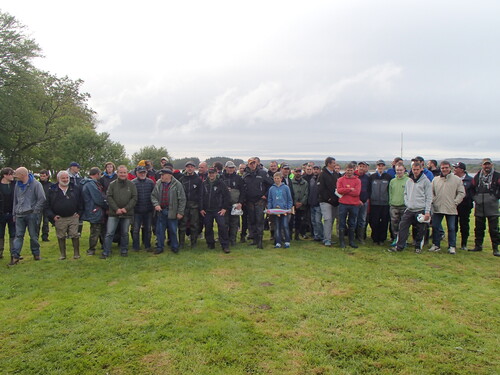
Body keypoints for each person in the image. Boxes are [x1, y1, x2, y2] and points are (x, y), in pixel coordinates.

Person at [389, 161, 432, 253]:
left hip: (421, 209)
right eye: (414, 169)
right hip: (409, 209)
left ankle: (418, 247)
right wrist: (407, 203)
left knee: (420, 229)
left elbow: (429, 197)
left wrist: (427, 212)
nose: (415, 171)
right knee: (402, 226)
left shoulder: (426, 182)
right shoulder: (409, 180)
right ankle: (399, 246)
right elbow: (406, 193)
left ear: (421, 169)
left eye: (417, 169)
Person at [10, 167, 46, 265]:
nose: (15, 178)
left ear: (23, 175)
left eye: (17, 176)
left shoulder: (36, 184)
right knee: (18, 236)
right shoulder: (17, 185)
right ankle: (15, 256)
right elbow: (15, 201)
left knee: (33, 235)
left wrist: (35, 211)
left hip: (31, 214)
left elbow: (42, 198)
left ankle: (36, 254)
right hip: (19, 214)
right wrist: (14, 213)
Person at [428, 161, 465, 254]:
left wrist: (455, 202)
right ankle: (436, 245)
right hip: (437, 207)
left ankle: (452, 246)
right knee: (435, 227)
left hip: (451, 207)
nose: (444, 169)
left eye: (446, 167)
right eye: (443, 168)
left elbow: (461, 193)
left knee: (452, 228)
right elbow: (431, 192)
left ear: (450, 168)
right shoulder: (435, 179)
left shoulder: (457, 179)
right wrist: (433, 200)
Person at [45, 171, 83, 260]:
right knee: (61, 236)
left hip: (73, 217)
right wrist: (53, 216)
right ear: (58, 179)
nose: (66, 180)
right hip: (59, 218)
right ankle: (63, 254)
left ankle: (76, 254)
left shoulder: (75, 188)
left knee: (74, 234)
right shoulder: (52, 190)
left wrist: (79, 213)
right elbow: (47, 205)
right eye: (63, 178)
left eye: (67, 178)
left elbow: (81, 202)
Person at [102, 165, 138, 258]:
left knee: (125, 233)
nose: (123, 174)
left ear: (127, 173)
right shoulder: (112, 184)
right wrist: (116, 209)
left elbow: (134, 198)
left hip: (127, 213)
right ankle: (106, 252)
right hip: (113, 213)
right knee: (109, 233)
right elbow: (109, 197)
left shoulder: (131, 184)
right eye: (121, 172)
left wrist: (126, 209)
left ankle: (124, 250)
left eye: (124, 172)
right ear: (117, 173)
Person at [151, 168, 186, 254]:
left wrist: (180, 212)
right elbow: (153, 196)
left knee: (173, 230)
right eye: (161, 175)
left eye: (163, 175)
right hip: (161, 211)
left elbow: (182, 199)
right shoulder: (158, 183)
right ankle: (159, 247)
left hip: (172, 211)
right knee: (160, 231)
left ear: (169, 175)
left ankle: (174, 247)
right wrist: (156, 204)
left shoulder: (177, 184)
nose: (161, 176)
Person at [470, 158, 499, 256]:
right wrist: (475, 198)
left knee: (494, 229)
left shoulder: (497, 176)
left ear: (491, 165)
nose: (487, 166)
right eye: (485, 164)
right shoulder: (477, 176)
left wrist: (495, 197)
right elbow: (471, 188)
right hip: (479, 205)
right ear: (482, 165)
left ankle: (495, 248)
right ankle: (478, 246)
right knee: (478, 228)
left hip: (492, 206)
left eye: (488, 164)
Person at [242, 157, 273, 249]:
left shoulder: (263, 173)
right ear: (248, 164)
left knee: (259, 221)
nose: (252, 165)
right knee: (252, 221)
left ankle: (260, 241)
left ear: (257, 164)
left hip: (259, 201)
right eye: (251, 163)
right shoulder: (245, 174)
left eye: (254, 163)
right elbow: (243, 188)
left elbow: (271, 184)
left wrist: (266, 195)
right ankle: (254, 239)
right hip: (249, 201)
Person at [200, 167, 231, 253]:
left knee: (222, 227)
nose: (211, 175)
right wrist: (201, 208)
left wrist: (224, 208)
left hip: (218, 209)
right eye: (210, 173)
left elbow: (227, 196)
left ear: (216, 173)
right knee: (208, 227)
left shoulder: (221, 183)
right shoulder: (204, 183)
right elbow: (201, 197)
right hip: (207, 210)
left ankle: (225, 245)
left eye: (213, 173)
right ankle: (210, 244)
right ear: (208, 174)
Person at [81, 167, 107, 256]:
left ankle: (104, 246)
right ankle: (91, 249)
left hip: (95, 209)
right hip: (95, 210)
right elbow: (98, 198)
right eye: (100, 174)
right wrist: (106, 205)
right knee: (95, 230)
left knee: (100, 230)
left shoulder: (91, 183)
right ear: (97, 174)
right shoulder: (91, 184)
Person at [336, 163, 361, 248]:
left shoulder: (357, 180)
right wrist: (350, 189)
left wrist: (345, 191)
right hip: (343, 204)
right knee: (342, 222)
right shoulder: (340, 180)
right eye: (348, 170)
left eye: (351, 170)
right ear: (345, 170)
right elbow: (339, 190)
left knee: (352, 223)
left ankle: (351, 241)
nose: (349, 172)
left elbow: (357, 192)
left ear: (354, 170)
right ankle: (342, 242)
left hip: (354, 204)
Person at [220, 161, 245, 246]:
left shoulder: (238, 178)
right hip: (224, 205)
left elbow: (243, 192)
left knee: (234, 224)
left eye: (232, 168)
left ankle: (233, 240)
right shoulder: (221, 178)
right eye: (229, 167)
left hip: (235, 205)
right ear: (225, 168)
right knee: (224, 224)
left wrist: (240, 203)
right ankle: (225, 240)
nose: (230, 169)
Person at [131, 166, 155, 251]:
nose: (142, 174)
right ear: (137, 173)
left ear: (146, 173)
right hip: (136, 211)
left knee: (148, 229)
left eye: (144, 172)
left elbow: (154, 195)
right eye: (140, 172)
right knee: (135, 230)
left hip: (148, 210)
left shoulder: (151, 182)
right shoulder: (132, 183)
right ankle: (136, 246)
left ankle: (147, 246)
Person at [368, 160, 392, 245]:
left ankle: (382, 239)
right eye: (379, 165)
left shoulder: (388, 177)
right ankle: (375, 239)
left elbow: (390, 190)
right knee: (374, 222)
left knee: (384, 222)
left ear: (384, 167)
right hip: (374, 204)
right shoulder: (372, 177)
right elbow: (369, 190)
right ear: (376, 166)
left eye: (382, 165)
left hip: (385, 204)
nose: (380, 167)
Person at [267, 172, 293, 248]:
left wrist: (288, 208)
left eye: (278, 178)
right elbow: (270, 199)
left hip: (284, 210)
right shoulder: (272, 188)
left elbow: (289, 199)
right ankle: (278, 242)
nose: (276, 180)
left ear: (281, 179)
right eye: (275, 178)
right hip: (275, 211)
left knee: (285, 225)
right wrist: (270, 208)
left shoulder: (286, 188)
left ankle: (287, 241)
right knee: (277, 226)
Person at [318, 157, 339, 247]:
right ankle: (326, 239)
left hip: (335, 201)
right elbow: (320, 189)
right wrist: (328, 198)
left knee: (332, 220)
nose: (335, 164)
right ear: (329, 164)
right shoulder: (322, 175)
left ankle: (328, 237)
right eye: (333, 163)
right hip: (325, 201)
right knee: (327, 219)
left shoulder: (335, 174)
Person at [453, 162, 474, 250]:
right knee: (453, 225)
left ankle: (464, 244)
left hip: (465, 206)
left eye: (456, 168)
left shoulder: (470, 180)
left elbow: (473, 193)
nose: (454, 170)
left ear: (461, 169)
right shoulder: (452, 179)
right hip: (454, 206)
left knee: (464, 225)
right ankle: (452, 243)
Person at [388, 162, 408, 247]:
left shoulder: (408, 181)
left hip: (404, 206)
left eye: (400, 170)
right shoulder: (392, 181)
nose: (399, 172)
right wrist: (391, 202)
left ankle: (404, 241)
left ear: (404, 170)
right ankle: (396, 239)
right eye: (397, 170)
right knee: (394, 224)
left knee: (404, 225)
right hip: (394, 206)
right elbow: (390, 192)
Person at [0, 167, 16, 259]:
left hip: (12, 213)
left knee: (13, 233)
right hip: (1, 213)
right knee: (0, 233)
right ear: (5, 175)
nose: (12, 176)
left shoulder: (15, 185)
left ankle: (13, 252)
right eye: (10, 174)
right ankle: (0, 252)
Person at [354, 161, 370, 243]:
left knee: (362, 220)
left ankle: (360, 238)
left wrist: (366, 198)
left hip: (364, 202)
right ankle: (352, 237)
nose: (361, 168)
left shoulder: (367, 178)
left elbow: (369, 189)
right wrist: (357, 200)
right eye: (360, 166)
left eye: (363, 166)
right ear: (357, 167)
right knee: (354, 220)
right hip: (354, 202)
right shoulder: (353, 176)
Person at [291, 167, 309, 240]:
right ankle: (289, 234)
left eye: (299, 172)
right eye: (296, 172)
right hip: (293, 205)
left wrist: (301, 202)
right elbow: (290, 193)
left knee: (300, 220)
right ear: (294, 173)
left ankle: (297, 235)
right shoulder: (290, 182)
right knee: (291, 220)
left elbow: (306, 193)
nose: (298, 173)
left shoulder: (305, 183)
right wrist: (295, 202)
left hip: (302, 205)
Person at [308, 165, 323, 242]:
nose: (316, 171)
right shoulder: (312, 179)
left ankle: (321, 235)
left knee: (318, 221)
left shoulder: (322, 179)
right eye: (314, 169)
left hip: (318, 203)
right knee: (313, 221)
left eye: (317, 169)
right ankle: (316, 235)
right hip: (312, 203)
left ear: (320, 170)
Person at [38, 170, 52, 242]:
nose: (42, 177)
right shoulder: (37, 184)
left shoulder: (50, 185)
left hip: (47, 206)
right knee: (37, 222)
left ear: (47, 176)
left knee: (46, 222)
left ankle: (45, 236)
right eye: (41, 176)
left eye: (44, 176)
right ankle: (36, 236)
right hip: (38, 206)